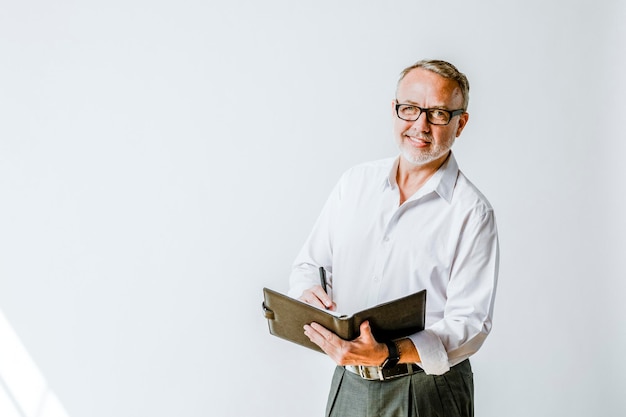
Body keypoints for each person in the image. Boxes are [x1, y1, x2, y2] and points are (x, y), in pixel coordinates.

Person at [287, 59, 499, 417]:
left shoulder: (472, 212)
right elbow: (310, 265)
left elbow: (471, 324)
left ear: (460, 123)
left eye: (438, 114)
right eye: (410, 109)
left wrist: (390, 353)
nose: (420, 125)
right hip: (350, 379)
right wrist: (308, 295)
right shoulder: (355, 183)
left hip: (427, 389)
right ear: (394, 110)